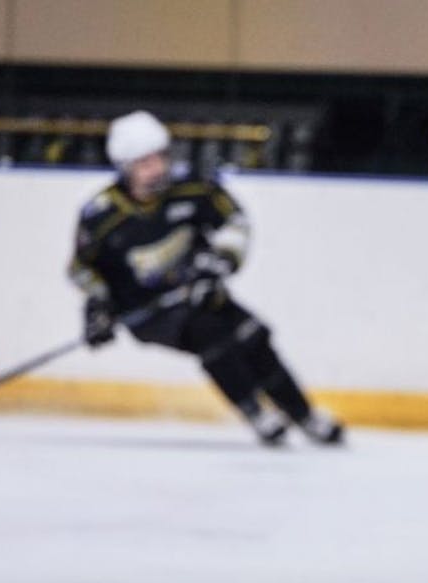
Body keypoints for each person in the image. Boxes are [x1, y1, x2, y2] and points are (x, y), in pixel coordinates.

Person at [68, 110, 343, 446]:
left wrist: (221, 259)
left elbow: (234, 222)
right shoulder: (102, 216)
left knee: (254, 337)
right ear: (125, 168)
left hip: (202, 293)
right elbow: (83, 269)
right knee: (211, 336)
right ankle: (257, 414)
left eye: (160, 158)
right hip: (151, 313)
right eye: (144, 163)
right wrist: (99, 307)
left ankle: (304, 415)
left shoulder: (193, 189)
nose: (156, 169)